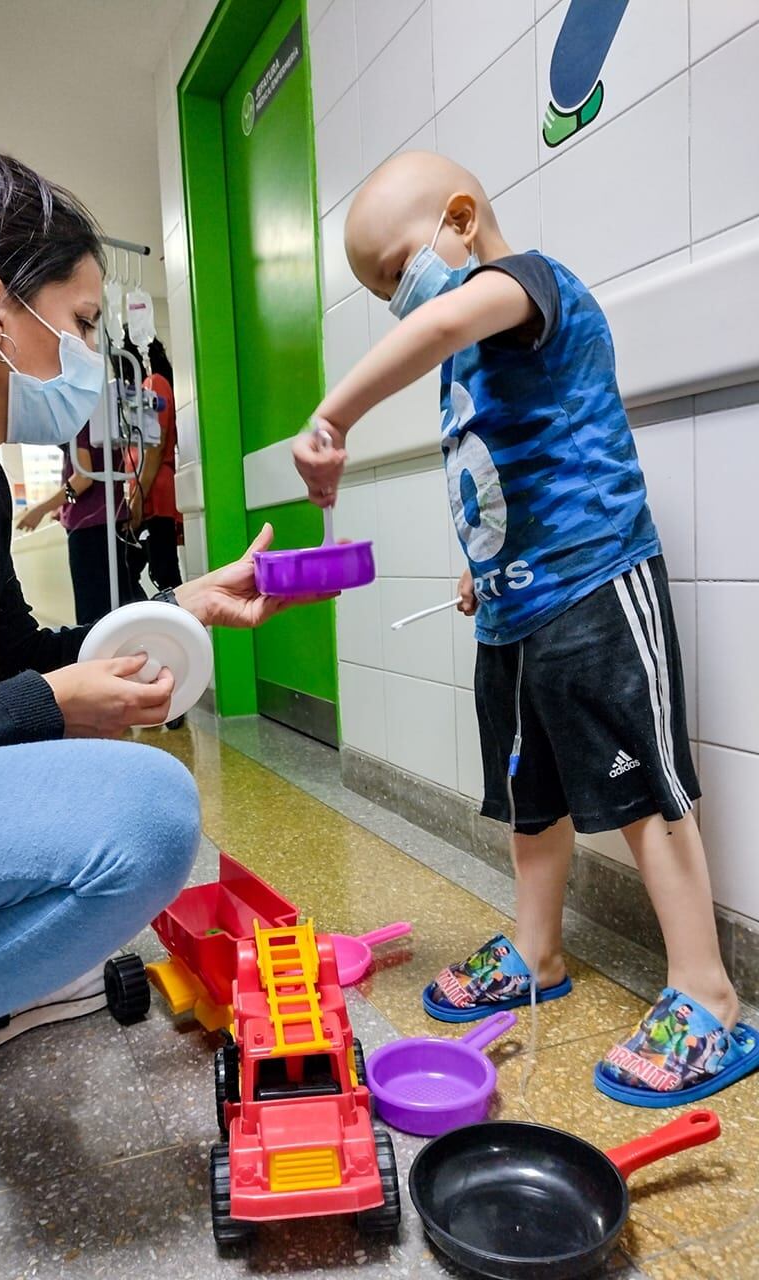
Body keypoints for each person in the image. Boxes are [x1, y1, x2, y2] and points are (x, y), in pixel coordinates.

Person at [0, 137, 311, 1271]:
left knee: (117, 805)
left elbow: (12, 657)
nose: (92, 359)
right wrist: (45, 703)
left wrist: (174, 606)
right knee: (141, 810)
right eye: (79, 326)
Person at [293, 150, 759, 1108]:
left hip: (595, 585)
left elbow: (448, 315)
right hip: (512, 609)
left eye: (394, 272)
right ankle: (538, 949)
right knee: (527, 798)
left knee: (642, 794)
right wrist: (481, 569)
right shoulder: (464, 345)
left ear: (461, 219)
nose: (397, 299)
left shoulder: (525, 284)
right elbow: (498, 469)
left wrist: (332, 416)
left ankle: (707, 992)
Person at [17, 420, 146, 621]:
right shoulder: (102, 418)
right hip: (111, 521)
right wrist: (64, 507)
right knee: (124, 603)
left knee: (95, 615)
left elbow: (83, 479)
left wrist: (41, 509)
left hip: (90, 529)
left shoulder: (81, 421)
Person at [120, 328, 183, 595]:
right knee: (143, 569)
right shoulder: (150, 387)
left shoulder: (154, 384)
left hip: (155, 491)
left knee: (163, 572)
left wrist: (137, 502)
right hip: (149, 488)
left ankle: (182, 630)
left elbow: (154, 449)